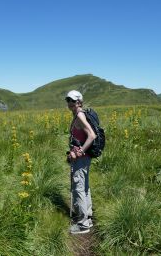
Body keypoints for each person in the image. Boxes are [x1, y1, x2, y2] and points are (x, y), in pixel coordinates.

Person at [65, 90, 97, 234]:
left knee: (78, 186)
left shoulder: (79, 116)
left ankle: (83, 224)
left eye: (72, 100)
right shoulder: (79, 114)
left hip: (81, 158)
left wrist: (79, 152)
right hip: (83, 158)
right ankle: (88, 217)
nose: (69, 103)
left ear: (79, 101)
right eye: (68, 100)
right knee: (84, 186)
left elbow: (91, 135)